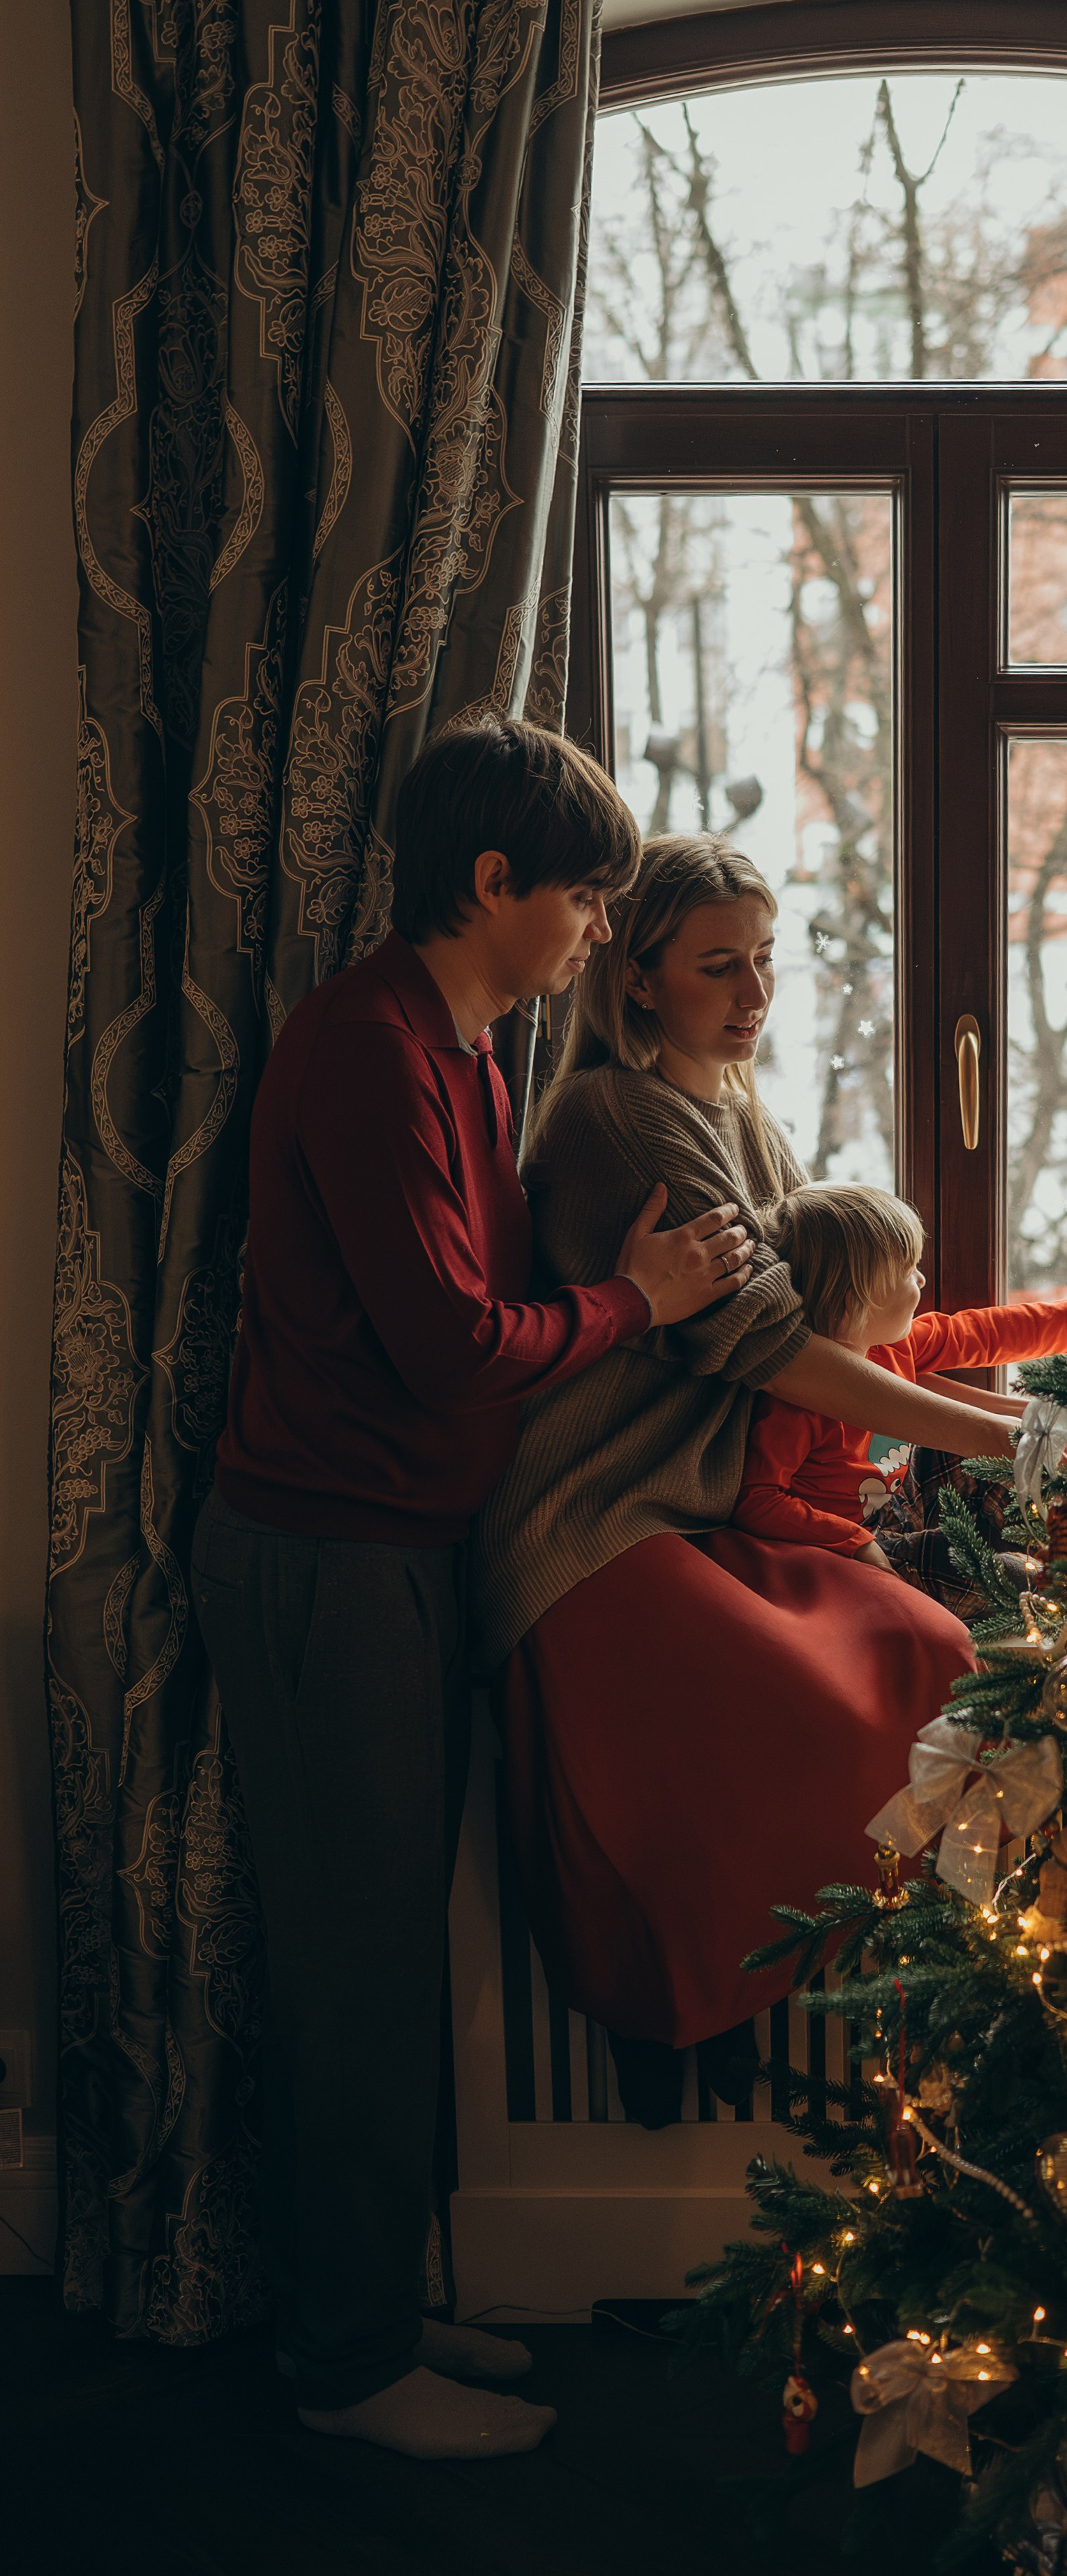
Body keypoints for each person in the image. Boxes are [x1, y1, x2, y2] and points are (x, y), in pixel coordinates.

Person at [191, 720, 752, 2462]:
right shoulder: (367, 1049)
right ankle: (345, 2363)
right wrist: (646, 1304)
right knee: (350, 1968)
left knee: (394, 1960)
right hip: (322, 1554)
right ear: (491, 881)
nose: (600, 925)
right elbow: (447, 1349)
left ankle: (372, 2296)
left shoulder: (475, 1051)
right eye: (584, 891)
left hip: (402, 1551)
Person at [475, 837, 1018, 2129]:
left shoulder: (742, 1117)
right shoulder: (616, 1116)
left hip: (709, 1516)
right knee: (789, 1712)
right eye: (721, 964)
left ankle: (752, 1985)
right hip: (597, 1519)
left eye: (766, 958)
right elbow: (774, 1343)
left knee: (933, 1650)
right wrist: (1000, 1439)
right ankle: (683, 1997)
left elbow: (842, 1326)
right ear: (642, 977)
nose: (756, 987)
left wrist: (1010, 1393)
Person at [733, 1179, 1067, 1596]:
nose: (922, 1280)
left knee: (1037, 1440)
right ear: (856, 1300)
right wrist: (855, 1543)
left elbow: (978, 1333)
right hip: (865, 1541)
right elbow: (757, 1499)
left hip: (908, 1491)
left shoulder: (895, 1345)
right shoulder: (797, 1402)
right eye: (908, 1272)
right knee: (988, 1569)